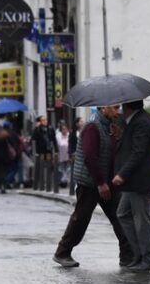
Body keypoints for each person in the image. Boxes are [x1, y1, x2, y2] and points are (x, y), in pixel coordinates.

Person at [53, 106, 134, 268]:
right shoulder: (92, 126)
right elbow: (90, 157)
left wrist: (117, 136)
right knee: (81, 218)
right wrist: (101, 183)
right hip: (91, 182)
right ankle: (62, 252)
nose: (117, 110)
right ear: (103, 108)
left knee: (120, 216)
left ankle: (127, 255)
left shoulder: (109, 125)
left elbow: (110, 151)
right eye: (114, 107)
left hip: (107, 181)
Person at [112, 100, 150, 273]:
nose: (119, 109)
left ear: (127, 106)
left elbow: (138, 152)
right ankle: (140, 253)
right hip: (134, 180)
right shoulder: (135, 120)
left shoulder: (142, 122)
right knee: (123, 213)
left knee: (141, 219)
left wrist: (121, 174)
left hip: (139, 180)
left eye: (121, 106)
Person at [56, 122, 71, 186]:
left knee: (68, 168)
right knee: (61, 168)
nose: (64, 130)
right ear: (61, 130)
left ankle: (66, 180)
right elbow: (59, 144)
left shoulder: (69, 135)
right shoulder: (58, 136)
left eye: (65, 129)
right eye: (63, 129)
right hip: (61, 155)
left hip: (68, 155)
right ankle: (62, 181)